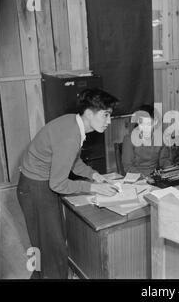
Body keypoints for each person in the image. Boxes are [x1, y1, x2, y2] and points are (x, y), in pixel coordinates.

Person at [17, 88, 120, 279]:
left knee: (48, 243)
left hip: (36, 185)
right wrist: (92, 187)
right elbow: (58, 184)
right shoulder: (70, 135)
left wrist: (94, 175)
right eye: (105, 115)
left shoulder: (73, 123)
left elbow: (73, 161)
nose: (109, 121)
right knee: (52, 248)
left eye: (110, 115)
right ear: (89, 113)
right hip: (36, 188)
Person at [122, 104, 173, 176]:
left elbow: (164, 161)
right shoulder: (129, 139)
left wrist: (167, 172)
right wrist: (145, 177)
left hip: (156, 176)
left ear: (155, 122)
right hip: (136, 178)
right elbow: (128, 167)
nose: (145, 129)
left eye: (149, 124)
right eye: (141, 124)